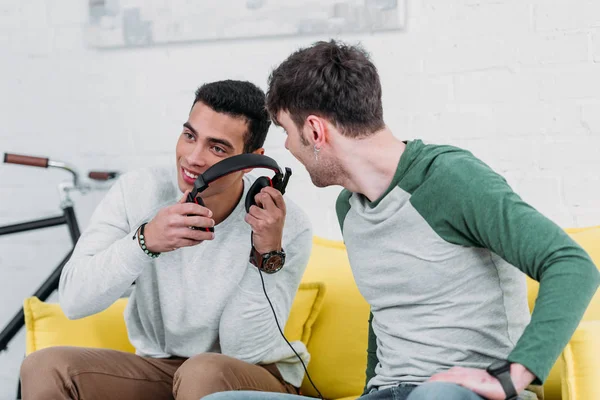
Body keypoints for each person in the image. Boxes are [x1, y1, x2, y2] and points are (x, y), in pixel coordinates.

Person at [203, 41, 600, 400]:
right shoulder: (350, 208)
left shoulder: (450, 179)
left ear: (314, 130)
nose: (287, 148)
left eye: (287, 132)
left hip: (457, 394)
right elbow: (385, 312)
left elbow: (571, 265)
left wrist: (514, 376)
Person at [19, 80, 313, 400]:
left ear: (252, 160)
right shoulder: (138, 191)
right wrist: (145, 241)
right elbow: (74, 301)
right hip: (162, 369)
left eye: (217, 148)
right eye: (189, 136)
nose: (193, 158)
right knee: (44, 367)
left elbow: (243, 348)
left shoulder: (283, 223)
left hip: (252, 373)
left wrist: (264, 253)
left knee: (202, 373)